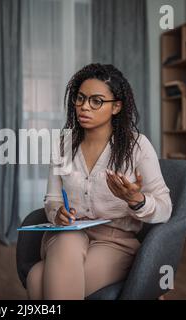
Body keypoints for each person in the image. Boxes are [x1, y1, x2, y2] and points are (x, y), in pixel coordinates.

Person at [26, 63, 173, 300]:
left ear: (116, 107)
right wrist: (57, 214)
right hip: (66, 235)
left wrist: (136, 200)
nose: (84, 106)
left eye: (96, 101)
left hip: (115, 241)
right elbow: (52, 199)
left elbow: (165, 208)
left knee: (36, 278)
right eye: (80, 98)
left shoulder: (137, 146)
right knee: (68, 238)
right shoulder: (63, 144)